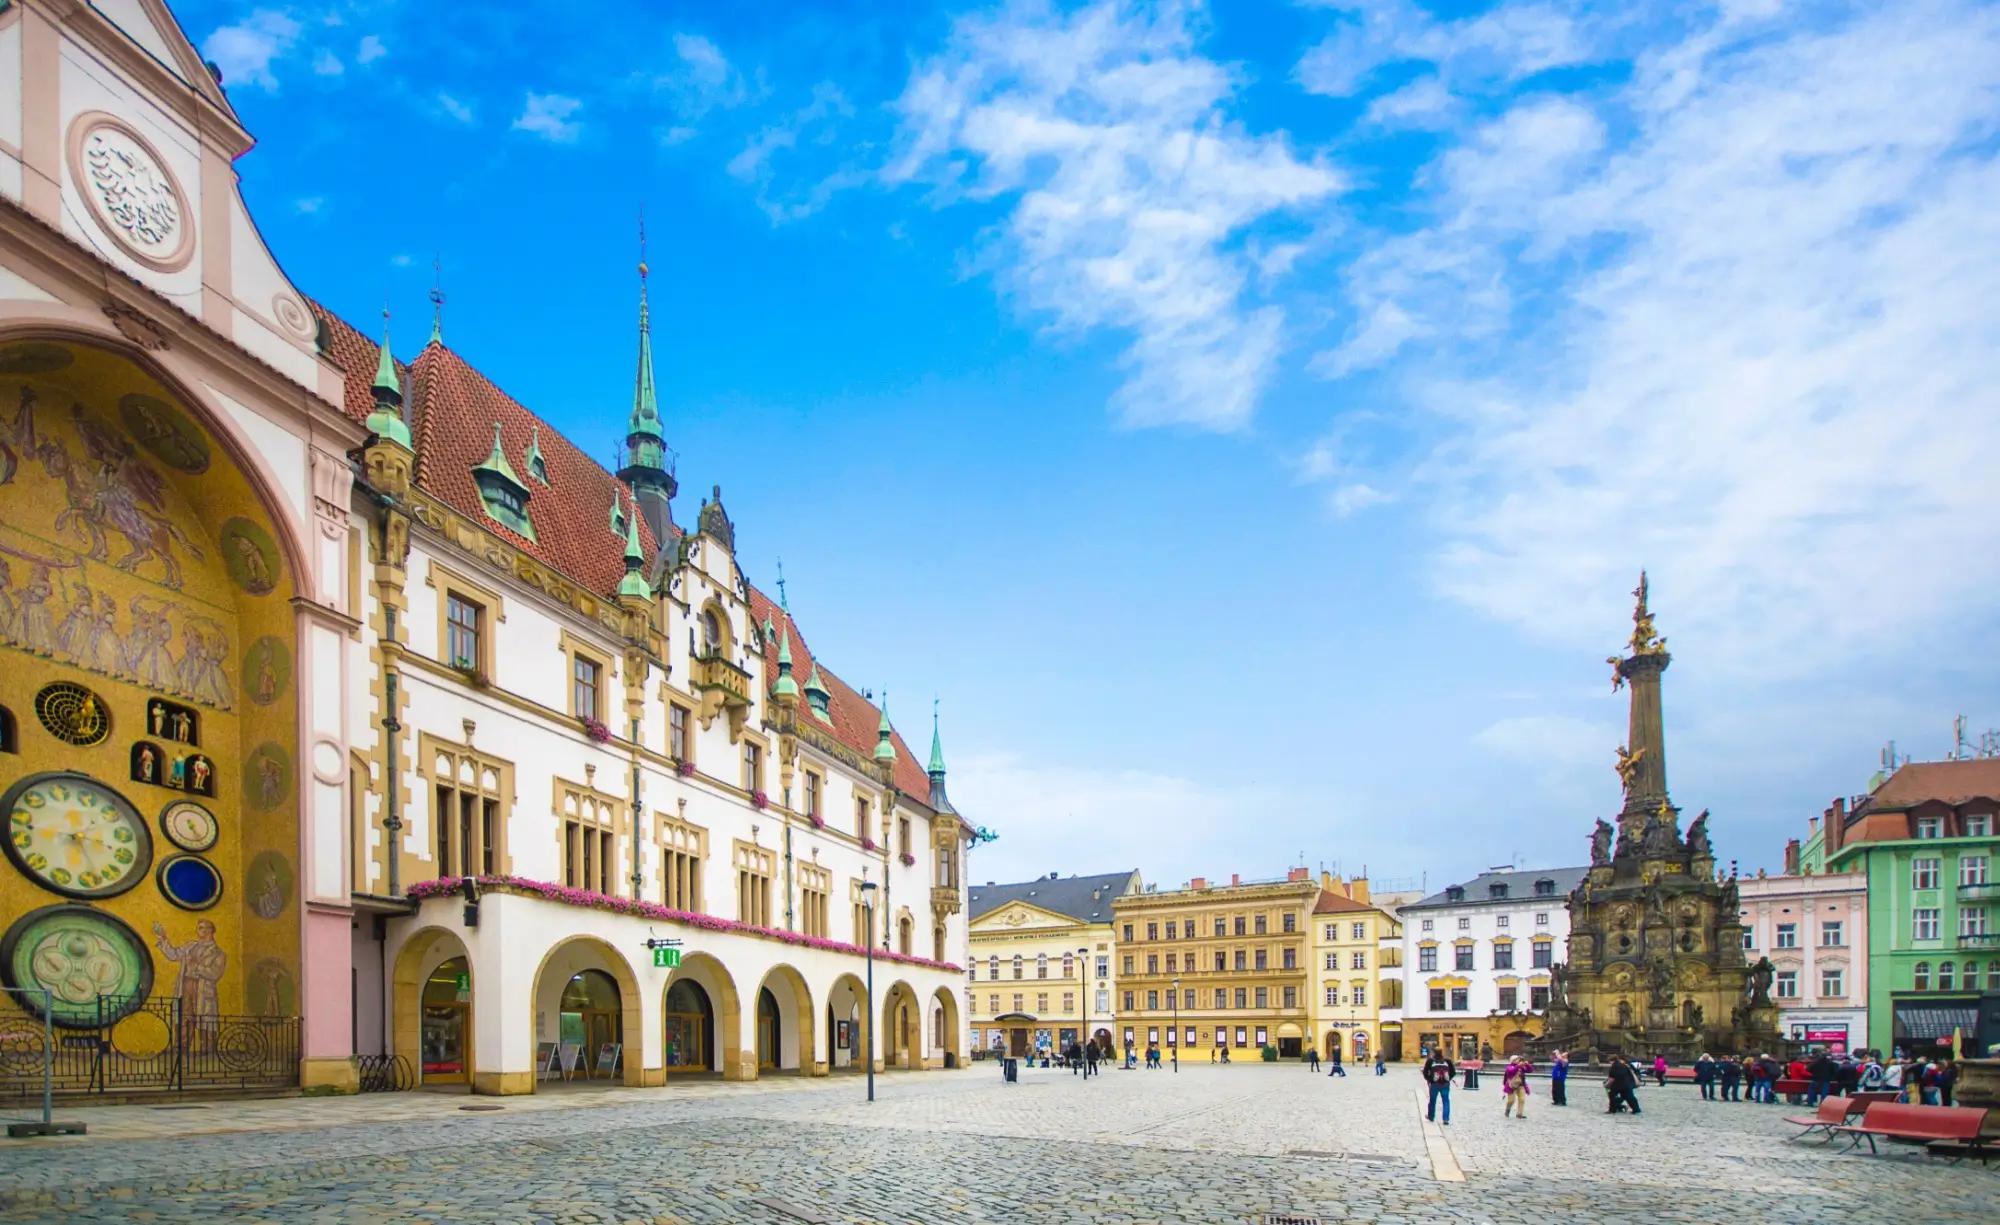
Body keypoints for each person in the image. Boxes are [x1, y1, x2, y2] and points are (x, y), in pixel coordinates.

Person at [1423, 1051, 1455, 1125]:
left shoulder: (1430, 1061)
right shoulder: (1447, 1061)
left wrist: (1429, 1079)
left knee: (1432, 1101)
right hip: (1445, 1084)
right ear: (1442, 1053)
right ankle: (1446, 1119)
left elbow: (1425, 1072)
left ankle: (1431, 1116)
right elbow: (1453, 1072)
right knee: (1446, 1101)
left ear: (1434, 1053)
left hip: (1434, 1084)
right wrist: (1448, 1079)